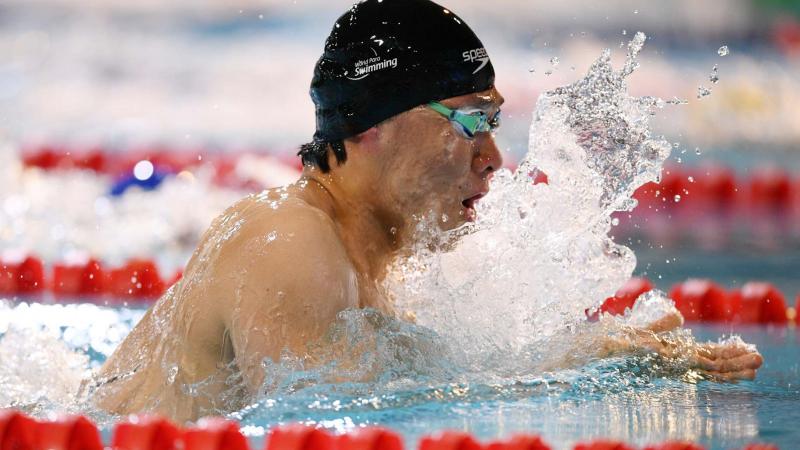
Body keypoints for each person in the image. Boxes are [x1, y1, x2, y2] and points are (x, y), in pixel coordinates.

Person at [91, 0, 762, 422]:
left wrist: (593, 353)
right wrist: (573, 365)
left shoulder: (378, 266)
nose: (496, 158)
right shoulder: (285, 241)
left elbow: (417, 374)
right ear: (368, 127)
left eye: (496, 123)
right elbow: (311, 415)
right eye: (471, 122)